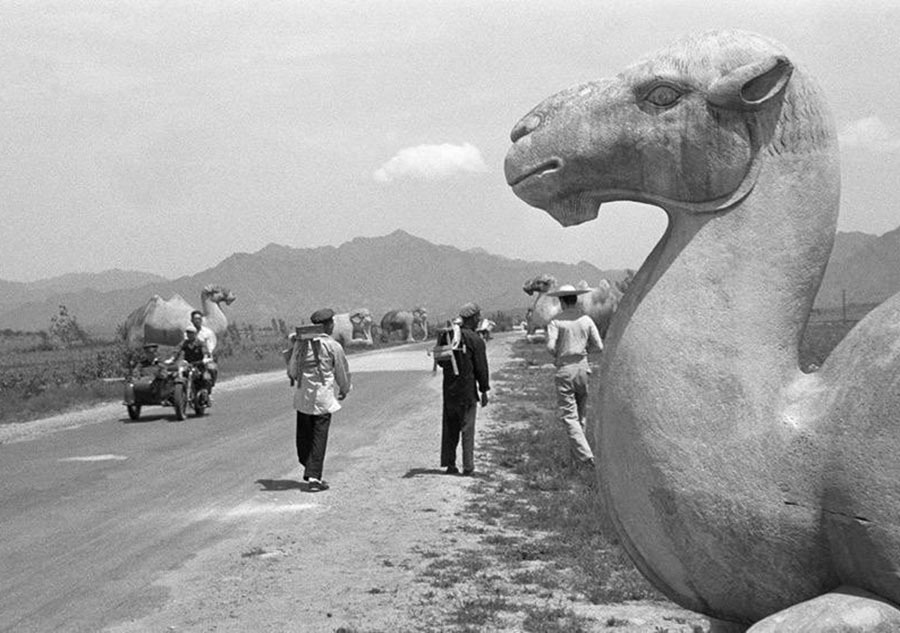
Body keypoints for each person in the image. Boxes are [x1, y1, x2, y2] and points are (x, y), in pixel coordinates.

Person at [287, 308, 352, 492]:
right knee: (319, 437)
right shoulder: (333, 346)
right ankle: (314, 477)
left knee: (304, 437)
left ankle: (309, 467)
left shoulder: (300, 345)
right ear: (328, 325)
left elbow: (292, 371)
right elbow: (341, 370)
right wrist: (345, 389)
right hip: (323, 399)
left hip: (302, 398)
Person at [545, 284, 604, 467]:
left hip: (565, 368)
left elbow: (550, 346)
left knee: (570, 416)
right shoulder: (586, 320)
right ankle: (577, 458)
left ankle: (586, 457)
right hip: (582, 367)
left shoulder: (556, 322)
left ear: (562, 301)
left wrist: (558, 353)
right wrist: (584, 350)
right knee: (581, 413)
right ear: (576, 300)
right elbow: (599, 346)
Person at [440, 302, 490, 476]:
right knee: (467, 429)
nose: (479, 320)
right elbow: (481, 368)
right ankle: (468, 466)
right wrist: (484, 390)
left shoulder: (447, 336)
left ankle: (450, 465)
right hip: (468, 391)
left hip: (450, 390)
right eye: (477, 317)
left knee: (450, 427)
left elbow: (440, 361)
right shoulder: (476, 340)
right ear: (473, 318)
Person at [189, 310, 218, 391]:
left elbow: (210, 347)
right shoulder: (187, 332)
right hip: (190, 359)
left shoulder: (208, 332)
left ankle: (208, 388)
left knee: (212, 369)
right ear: (191, 320)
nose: (197, 320)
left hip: (204, 359)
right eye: (195, 319)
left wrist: (207, 356)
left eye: (199, 318)